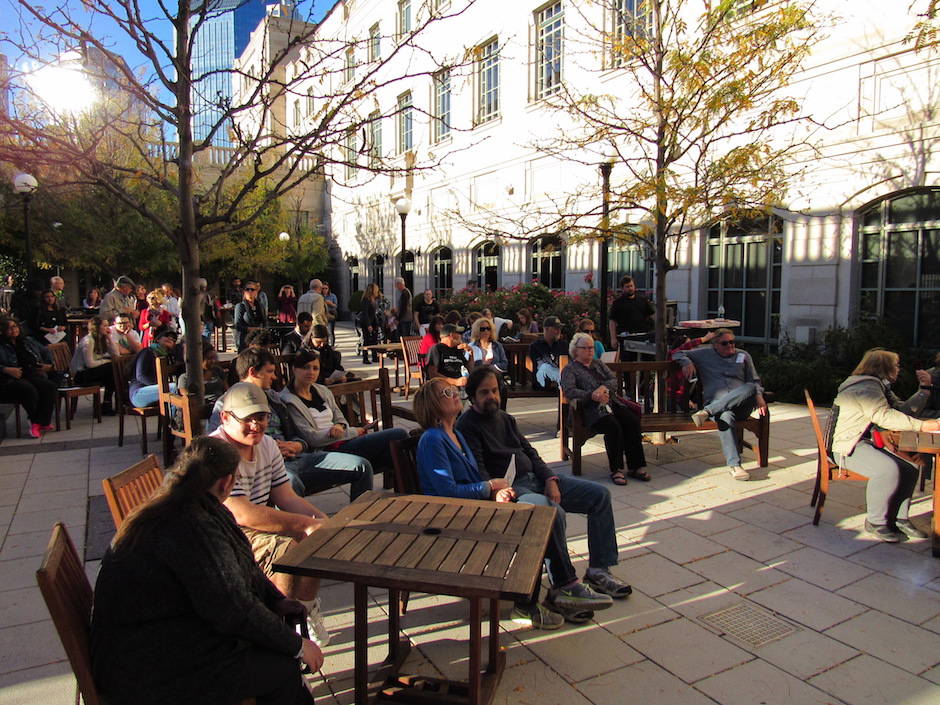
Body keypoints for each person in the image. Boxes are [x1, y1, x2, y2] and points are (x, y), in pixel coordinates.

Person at [90, 436, 321, 705]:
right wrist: (296, 646)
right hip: (145, 666)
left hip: (151, 640)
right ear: (226, 483)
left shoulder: (190, 504)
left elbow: (245, 567)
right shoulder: (189, 526)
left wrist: (276, 600)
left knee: (277, 657)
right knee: (281, 669)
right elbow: (232, 608)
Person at [414, 376, 615, 630]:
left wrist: (497, 491)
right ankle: (545, 596)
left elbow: (485, 471)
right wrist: (490, 488)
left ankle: (564, 589)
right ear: (432, 405)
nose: (455, 394)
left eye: (454, 389)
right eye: (447, 393)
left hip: (478, 507)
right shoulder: (434, 439)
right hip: (456, 518)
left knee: (551, 510)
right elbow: (447, 492)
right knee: (542, 512)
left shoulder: (454, 434)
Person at [457, 368, 632, 614]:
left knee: (599, 495)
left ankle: (598, 571)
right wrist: (496, 491)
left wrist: (550, 479)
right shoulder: (468, 425)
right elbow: (478, 468)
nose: (491, 397)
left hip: (536, 480)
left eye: (494, 390)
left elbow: (530, 453)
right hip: (513, 490)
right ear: (472, 396)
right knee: (552, 513)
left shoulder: (505, 419)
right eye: (484, 392)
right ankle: (565, 585)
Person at [210, 382, 331, 645]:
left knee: (319, 538)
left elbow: (285, 497)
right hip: (220, 535)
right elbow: (241, 514)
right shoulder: (217, 452)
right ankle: (278, 631)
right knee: (285, 550)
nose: (256, 425)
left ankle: (305, 612)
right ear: (225, 418)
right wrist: (305, 525)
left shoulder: (266, 445)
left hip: (248, 526)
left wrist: (322, 522)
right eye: (248, 419)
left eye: (262, 417)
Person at [208, 347, 374, 502]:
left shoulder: (274, 397)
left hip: (300, 457)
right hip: (272, 466)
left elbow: (298, 435)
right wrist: (267, 449)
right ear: (253, 372)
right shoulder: (227, 405)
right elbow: (219, 446)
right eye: (270, 372)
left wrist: (297, 445)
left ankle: (362, 522)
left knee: (362, 466)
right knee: (291, 482)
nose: (274, 377)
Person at [831, 349, 940, 542]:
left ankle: (899, 518)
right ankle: (876, 521)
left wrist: (925, 389)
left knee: (912, 463)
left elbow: (904, 412)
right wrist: (923, 425)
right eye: (896, 365)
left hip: (871, 441)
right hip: (850, 445)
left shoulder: (878, 386)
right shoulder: (864, 387)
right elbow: (884, 416)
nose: (899, 369)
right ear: (884, 367)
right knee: (887, 470)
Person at [279, 349, 408, 477]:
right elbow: (312, 439)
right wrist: (354, 431)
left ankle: (406, 493)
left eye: (315, 368)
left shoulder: (322, 391)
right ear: (294, 369)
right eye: (306, 368)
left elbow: (341, 419)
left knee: (394, 454)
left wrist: (339, 426)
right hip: (326, 451)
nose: (311, 372)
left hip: (343, 442)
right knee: (399, 434)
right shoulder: (289, 400)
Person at [673, 328, 767, 481]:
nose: (730, 346)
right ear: (715, 345)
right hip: (718, 404)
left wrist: (758, 395)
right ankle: (735, 466)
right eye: (725, 343)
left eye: (732, 342)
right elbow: (677, 352)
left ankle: (706, 412)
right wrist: (687, 363)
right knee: (725, 415)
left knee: (750, 387)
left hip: (741, 405)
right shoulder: (704, 354)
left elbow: (754, 380)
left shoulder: (743, 355)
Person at [561, 332, 649, 485]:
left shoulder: (598, 364)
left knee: (631, 421)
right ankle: (616, 469)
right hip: (590, 411)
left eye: (592, 347)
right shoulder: (570, 369)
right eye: (586, 348)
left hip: (612, 404)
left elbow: (613, 380)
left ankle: (635, 466)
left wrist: (603, 388)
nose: (590, 350)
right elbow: (569, 391)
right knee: (613, 426)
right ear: (576, 350)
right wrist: (593, 395)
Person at [0, 316, 56, 438]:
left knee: (49, 387)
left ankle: (41, 421)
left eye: (15, 326)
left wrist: (48, 364)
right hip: (9, 380)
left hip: (31, 373)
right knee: (28, 389)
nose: (13, 330)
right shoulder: (1, 345)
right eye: (9, 328)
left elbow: (46, 351)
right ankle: (35, 421)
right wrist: (5, 369)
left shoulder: (28, 341)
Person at [70, 316, 118, 413]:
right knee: (110, 368)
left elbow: (116, 354)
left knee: (114, 368)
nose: (107, 328)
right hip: (81, 373)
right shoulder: (88, 341)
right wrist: (106, 361)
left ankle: (109, 402)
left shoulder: (102, 339)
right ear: (96, 327)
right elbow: (90, 364)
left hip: (92, 371)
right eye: (104, 326)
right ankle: (107, 403)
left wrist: (109, 337)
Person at [129, 326, 178, 408]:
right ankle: (174, 419)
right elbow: (141, 376)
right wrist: (162, 386)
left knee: (179, 388)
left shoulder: (169, 358)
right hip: (138, 393)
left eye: (173, 339)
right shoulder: (147, 352)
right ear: (158, 339)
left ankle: (172, 418)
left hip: (157, 391)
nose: (170, 339)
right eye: (167, 336)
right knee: (173, 388)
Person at [468, 317, 509, 409]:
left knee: (501, 388)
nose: (486, 331)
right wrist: (482, 365)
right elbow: (469, 367)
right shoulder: (471, 347)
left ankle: (501, 414)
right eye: (482, 329)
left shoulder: (497, 346)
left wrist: (490, 367)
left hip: (495, 377)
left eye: (488, 328)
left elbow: (504, 364)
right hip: (477, 380)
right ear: (477, 331)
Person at [608, 275, 655, 349]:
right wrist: (613, 338)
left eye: (631, 286)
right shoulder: (618, 303)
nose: (630, 288)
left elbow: (652, 314)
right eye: (627, 287)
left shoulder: (642, 300)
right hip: (626, 338)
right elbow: (612, 321)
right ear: (622, 288)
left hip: (641, 336)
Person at [528, 316, 567, 389]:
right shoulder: (535, 346)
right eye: (556, 329)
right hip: (542, 383)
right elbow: (539, 367)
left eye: (559, 329)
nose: (558, 331)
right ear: (546, 329)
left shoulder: (564, 345)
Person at [234, 280, 268, 352]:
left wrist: (263, 331)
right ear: (244, 292)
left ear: (256, 292)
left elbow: (265, 322)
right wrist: (251, 329)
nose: (250, 291)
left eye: (252, 289)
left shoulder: (260, 306)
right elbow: (238, 325)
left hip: (259, 339)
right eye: (247, 289)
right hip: (245, 340)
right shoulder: (240, 306)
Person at [360, 282, 380, 364]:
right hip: (366, 322)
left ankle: (375, 356)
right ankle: (365, 358)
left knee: (375, 340)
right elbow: (365, 313)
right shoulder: (366, 299)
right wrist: (368, 324)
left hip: (373, 321)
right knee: (366, 340)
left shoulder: (373, 299)